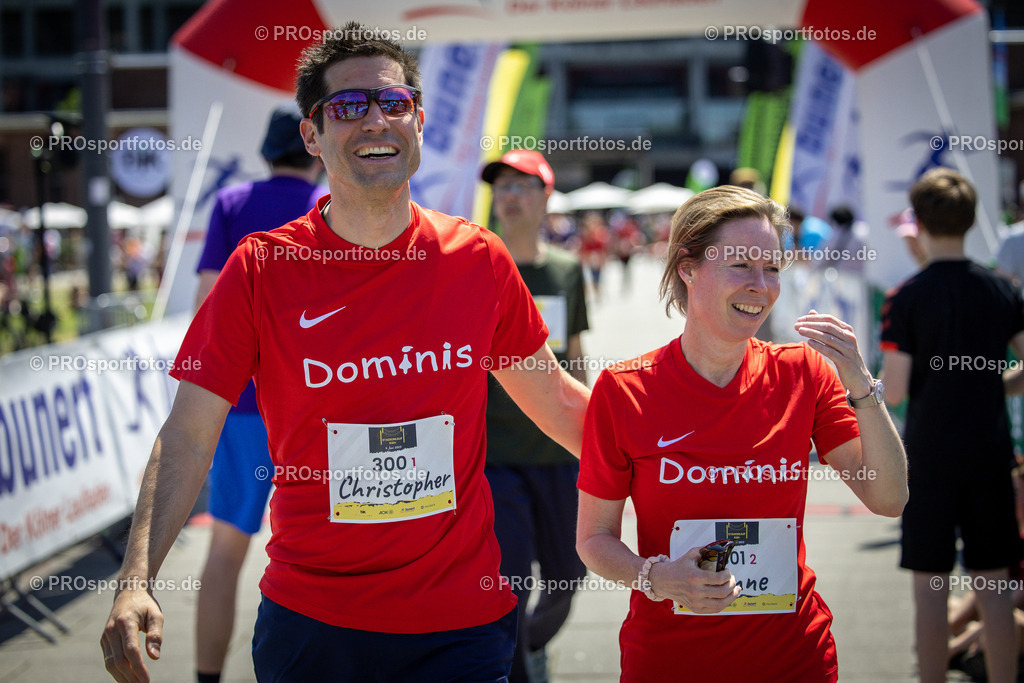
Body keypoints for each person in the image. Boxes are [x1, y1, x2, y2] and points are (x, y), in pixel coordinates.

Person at [101, 22, 590, 683]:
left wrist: (684, 456)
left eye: (393, 103)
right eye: (349, 107)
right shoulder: (261, 270)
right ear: (312, 134)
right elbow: (187, 434)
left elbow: (558, 401)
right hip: (315, 626)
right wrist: (136, 577)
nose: (376, 121)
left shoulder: (477, 259)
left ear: (418, 120)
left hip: (460, 628)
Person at [576, 185, 908, 681]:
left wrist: (862, 386)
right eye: (741, 266)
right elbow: (594, 539)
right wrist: (658, 577)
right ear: (688, 268)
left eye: (772, 268)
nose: (762, 285)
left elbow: (888, 497)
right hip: (670, 660)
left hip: (794, 659)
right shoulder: (625, 390)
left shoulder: (804, 373)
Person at [192, 103, 326, 683]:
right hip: (319, 407)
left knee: (225, 551)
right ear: (315, 148)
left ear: (269, 154)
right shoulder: (331, 208)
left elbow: (207, 310)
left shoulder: (231, 205)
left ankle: (205, 677)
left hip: (243, 408)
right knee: (328, 559)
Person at [880, 167, 1024, 683]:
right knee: (996, 589)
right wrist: (994, 385)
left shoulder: (907, 297)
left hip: (930, 459)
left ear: (917, 222)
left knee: (929, 589)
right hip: (990, 455)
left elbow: (892, 391)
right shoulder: (1001, 291)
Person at [480, 149, 589, 683]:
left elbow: (576, 354)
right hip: (494, 457)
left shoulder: (566, 271)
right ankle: (519, 670)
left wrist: (595, 432)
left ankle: (532, 645)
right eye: (502, 187)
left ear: (547, 197)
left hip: (558, 452)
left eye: (523, 187)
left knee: (569, 573)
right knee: (511, 579)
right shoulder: (475, 266)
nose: (510, 197)